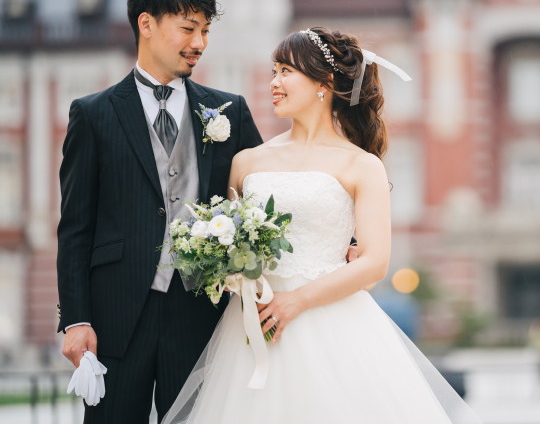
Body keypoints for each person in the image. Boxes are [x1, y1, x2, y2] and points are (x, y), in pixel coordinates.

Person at [56, 0, 358, 423]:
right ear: (147, 24)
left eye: (205, 30)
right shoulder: (93, 115)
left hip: (202, 317)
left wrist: (345, 241)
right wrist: (76, 318)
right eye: (188, 28)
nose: (199, 42)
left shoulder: (228, 110)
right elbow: (75, 227)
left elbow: (275, 186)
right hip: (117, 318)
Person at [161, 28, 482, 424]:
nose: (274, 83)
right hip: (252, 326)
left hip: (332, 326)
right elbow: (231, 243)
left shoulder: (361, 165)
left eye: (285, 71)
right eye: (273, 71)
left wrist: (297, 301)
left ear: (324, 84)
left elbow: (375, 262)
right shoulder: (247, 161)